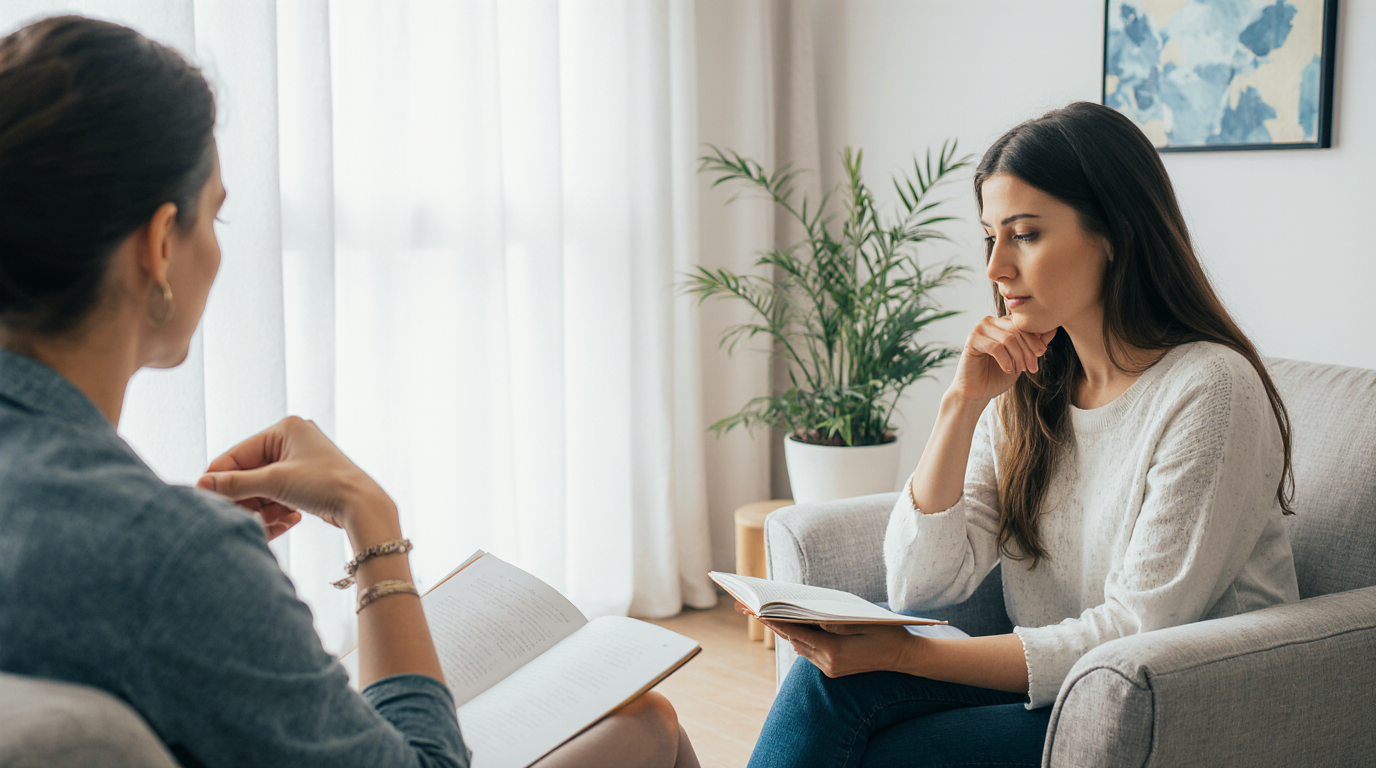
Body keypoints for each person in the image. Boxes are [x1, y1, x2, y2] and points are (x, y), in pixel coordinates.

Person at [0, 15, 698, 768]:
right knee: (650, 726)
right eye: (216, 215)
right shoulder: (174, 561)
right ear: (160, 245)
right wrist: (373, 524)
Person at [747, 101, 1302, 767]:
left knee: (886, 747)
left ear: (1116, 233)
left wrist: (902, 651)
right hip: (1061, 689)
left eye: (1025, 234)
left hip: (1179, 711)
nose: (996, 269)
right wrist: (961, 404)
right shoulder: (1032, 386)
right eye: (990, 237)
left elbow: (1135, 632)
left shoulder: (1211, 388)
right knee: (826, 680)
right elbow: (920, 585)